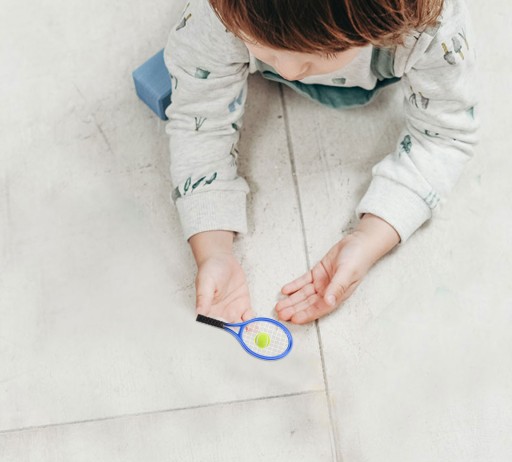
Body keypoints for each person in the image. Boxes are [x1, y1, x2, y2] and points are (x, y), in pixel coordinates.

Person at [163, 0, 478, 325]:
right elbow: (197, 122)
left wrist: (371, 238)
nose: (289, 71)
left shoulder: (430, 28)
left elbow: (445, 136)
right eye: (263, 46)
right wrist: (212, 249)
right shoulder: (219, 13)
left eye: (322, 55)